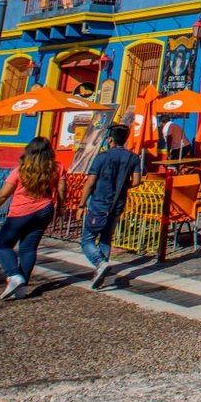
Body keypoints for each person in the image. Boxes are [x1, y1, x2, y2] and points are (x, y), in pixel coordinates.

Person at [0, 137, 63, 299]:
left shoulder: (21, 170)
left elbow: (3, 194)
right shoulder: (55, 168)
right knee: (28, 248)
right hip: (44, 210)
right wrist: (61, 207)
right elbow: (61, 189)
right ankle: (22, 288)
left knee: (3, 245)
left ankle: (14, 275)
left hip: (20, 212)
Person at [79, 122, 142, 290]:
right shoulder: (133, 157)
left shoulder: (102, 157)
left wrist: (81, 204)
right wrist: (122, 186)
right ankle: (99, 274)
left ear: (110, 140)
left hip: (100, 203)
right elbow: (136, 181)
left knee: (87, 240)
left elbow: (90, 183)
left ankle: (99, 263)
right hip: (118, 203)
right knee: (106, 239)